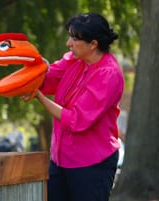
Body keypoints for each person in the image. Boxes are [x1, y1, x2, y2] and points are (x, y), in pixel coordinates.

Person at [21, 13, 124, 201]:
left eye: (75, 39)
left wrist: (39, 97)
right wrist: (31, 65)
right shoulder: (74, 60)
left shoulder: (108, 74)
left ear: (93, 44)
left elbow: (76, 120)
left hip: (92, 164)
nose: (69, 43)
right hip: (60, 160)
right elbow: (48, 79)